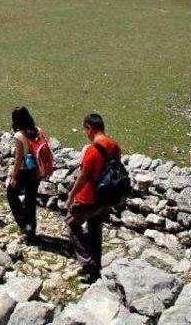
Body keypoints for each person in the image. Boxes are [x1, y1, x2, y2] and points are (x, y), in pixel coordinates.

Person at [65, 113, 122, 284]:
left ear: (90, 128)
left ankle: (87, 260)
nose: (86, 134)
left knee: (72, 223)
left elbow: (83, 177)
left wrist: (71, 195)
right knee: (95, 230)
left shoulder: (92, 150)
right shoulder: (114, 146)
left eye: (86, 130)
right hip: (105, 197)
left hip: (88, 197)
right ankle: (95, 269)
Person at [7, 106, 42, 241]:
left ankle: (24, 224)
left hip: (23, 171)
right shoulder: (38, 131)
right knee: (30, 200)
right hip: (36, 171)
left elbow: (19, 158)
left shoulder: (19, 136)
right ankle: (31, 230)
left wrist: (13, 176)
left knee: (11, 194)